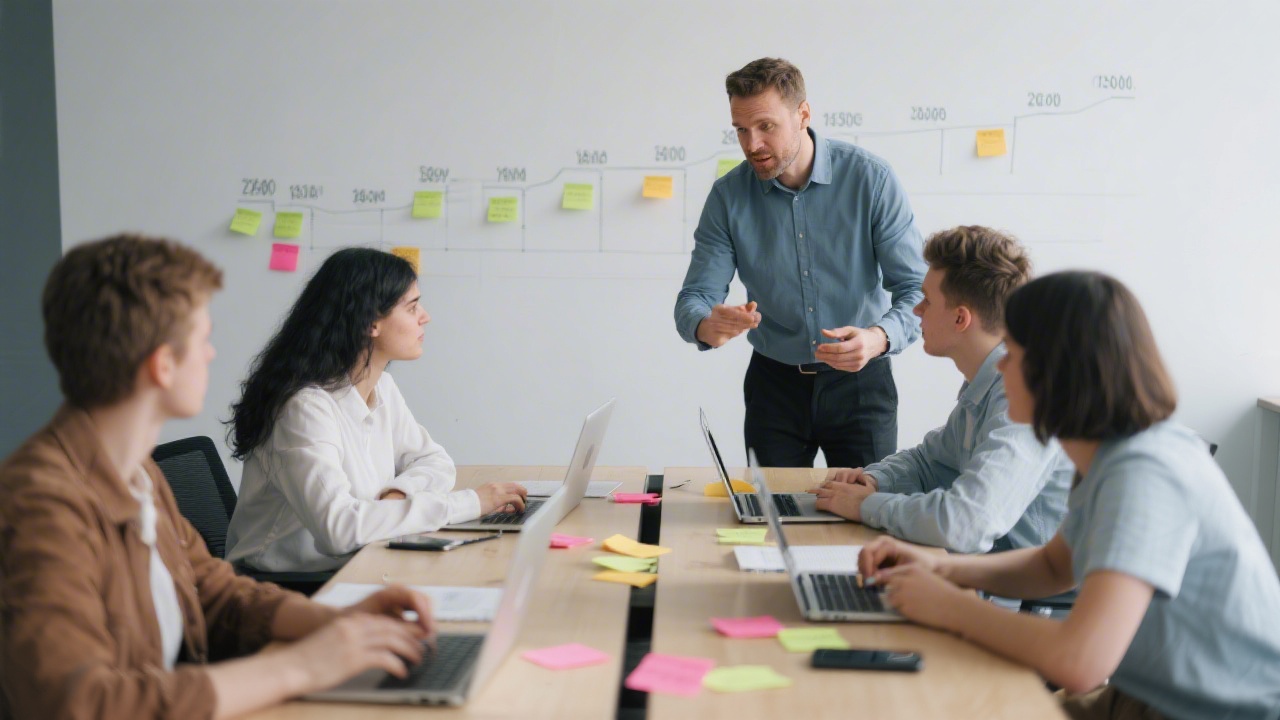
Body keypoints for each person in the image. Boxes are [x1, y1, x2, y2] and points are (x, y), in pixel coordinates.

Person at [0, 234, 439, 719]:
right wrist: (300, 668)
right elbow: (79, 703)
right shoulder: (42, 502)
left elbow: (213, 590)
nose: (210, 355)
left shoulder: (133, 472)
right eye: (203, 338)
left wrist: (336, 621)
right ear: (162, 365)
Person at [860, 271, 1280, 719]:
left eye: (1013, 354)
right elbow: (1055, 565)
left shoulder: (1146, 473)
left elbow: (1079, 662)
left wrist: (948, 607)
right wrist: (943, 567)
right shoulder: (1112, 455)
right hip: (1151, 695)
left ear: (1057, 372)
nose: (1000, 367)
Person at [674, 57, 927, 469]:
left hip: (861, 383)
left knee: (867, 517)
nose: (751, 143)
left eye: (766, 126)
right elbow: (695, 297)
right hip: (774, 388)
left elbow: (917, 290)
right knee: (772, 520)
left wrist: (878, 338)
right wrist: (706, 325)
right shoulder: (728, 197)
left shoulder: (872, 180)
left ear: (803, 114)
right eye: (740, 129)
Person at [225, 247, 527, 572]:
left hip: (360, 561)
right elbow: (340, 530)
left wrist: (398, 493)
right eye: (411, 307)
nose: (425, 316)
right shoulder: (303, 408)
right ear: (371, 322)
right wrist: (473, 502)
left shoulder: (381, 386)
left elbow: (434, 461)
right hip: (288, 586)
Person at [813, 226, 1072, 553]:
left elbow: (966, 523)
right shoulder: (987, 380)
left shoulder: (1024, 396)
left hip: (1030, 599)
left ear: (961, 319)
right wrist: (875, 480)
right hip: (992, 576)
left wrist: (867, 505)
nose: (916, 311)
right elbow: (931, 462)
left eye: (927, 301)